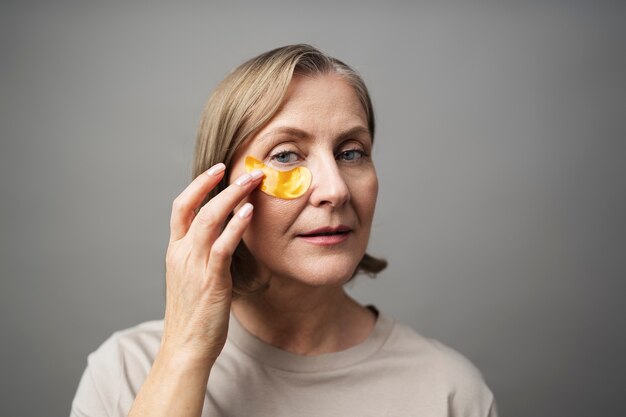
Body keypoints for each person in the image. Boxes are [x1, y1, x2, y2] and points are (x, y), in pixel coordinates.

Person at [70, 44, 498, 417]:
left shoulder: (451, 392)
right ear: (221, 191)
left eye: (351, 153)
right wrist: (186, 353)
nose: (334, 190)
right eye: (287, 155)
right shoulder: (123, 373)